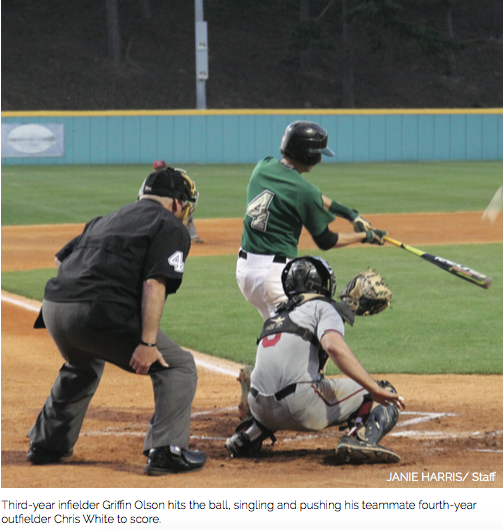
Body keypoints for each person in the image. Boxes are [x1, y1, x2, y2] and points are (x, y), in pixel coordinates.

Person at [27, 167, 206, 476]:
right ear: (176, 203)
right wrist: (147, 343)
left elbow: (62, 260)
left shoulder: (107, 218)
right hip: (93, 311)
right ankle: (166, 450)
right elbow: (155, 283)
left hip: (53, 308)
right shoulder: (169, 225)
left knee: (82, 364)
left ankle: (46, 443)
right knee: (178, 367)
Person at [226, 256, 405, 464]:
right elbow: (332, 346)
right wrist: (373, 388)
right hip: (299, 406)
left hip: (258, 406)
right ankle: (360, 438)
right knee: (382, 390)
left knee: (278, 386)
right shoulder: (324, 307)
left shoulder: (277, 314)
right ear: (322, 283)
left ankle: (247, 436)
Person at [236, 120, 387, 321]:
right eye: (317, 154)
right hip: (274, 277)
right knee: (306, 334)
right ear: (306, 154)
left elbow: (313, 197)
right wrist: (365, 236)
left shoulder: (263, 166)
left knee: (273, 333)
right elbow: (326, 240)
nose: (320, 160)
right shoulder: (304, 191)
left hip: (245, 271)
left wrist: (350, 214)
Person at [153, 160, 204, 243]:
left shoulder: (171, 178)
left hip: (169, 204)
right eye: (158, 169)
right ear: (154, 170)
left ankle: (193, 236)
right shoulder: (149, 181)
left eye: (162, 169)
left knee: (187, 210)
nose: (160, 171)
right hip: (155, 206)